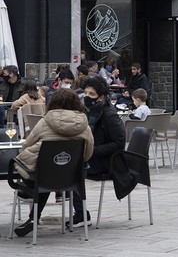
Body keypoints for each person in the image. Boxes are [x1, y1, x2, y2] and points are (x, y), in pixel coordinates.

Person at [11, 88, 94, 237]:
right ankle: (33, 217)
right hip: (71, 178)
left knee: (42, 173)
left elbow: (26, 145)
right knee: (50, 172)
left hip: (43, 175)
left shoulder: (45, 122)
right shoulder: (85, 125)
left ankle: (31, 207)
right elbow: (87, 154)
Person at [70, 76, 125, 227]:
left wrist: (92, 151)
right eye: (86, 93)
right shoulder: (88, 112)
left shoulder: (109, 114)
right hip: (92, 157)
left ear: (101, 97)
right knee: (65, 164)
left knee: (72, 170)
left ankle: (81, 214)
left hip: (107, 162)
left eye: (91, 95)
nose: (87, 97)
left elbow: (119, 143)